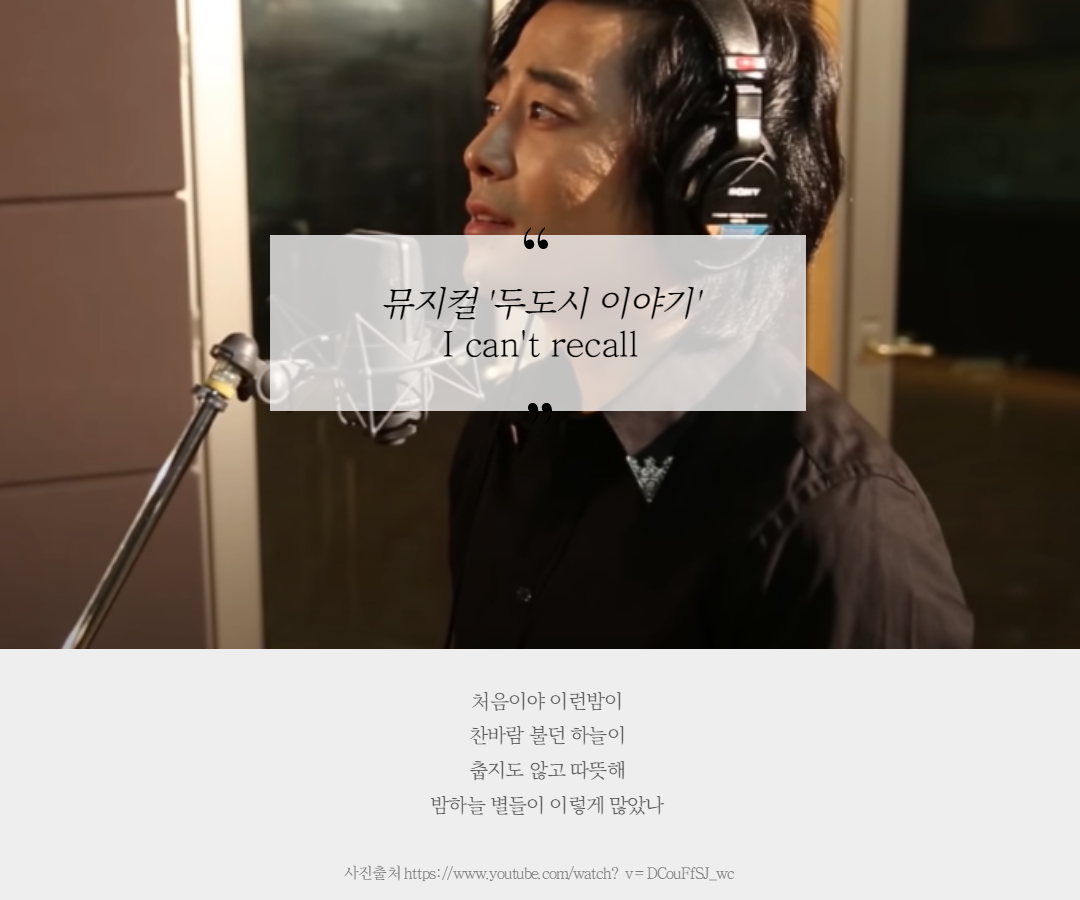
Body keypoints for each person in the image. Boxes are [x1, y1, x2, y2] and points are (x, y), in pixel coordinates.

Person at [444, 0, 974, 648]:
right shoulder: (513, 425)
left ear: (713, 186)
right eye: (494, 107)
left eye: (545, 113)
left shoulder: (839, 521)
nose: (480, 152)